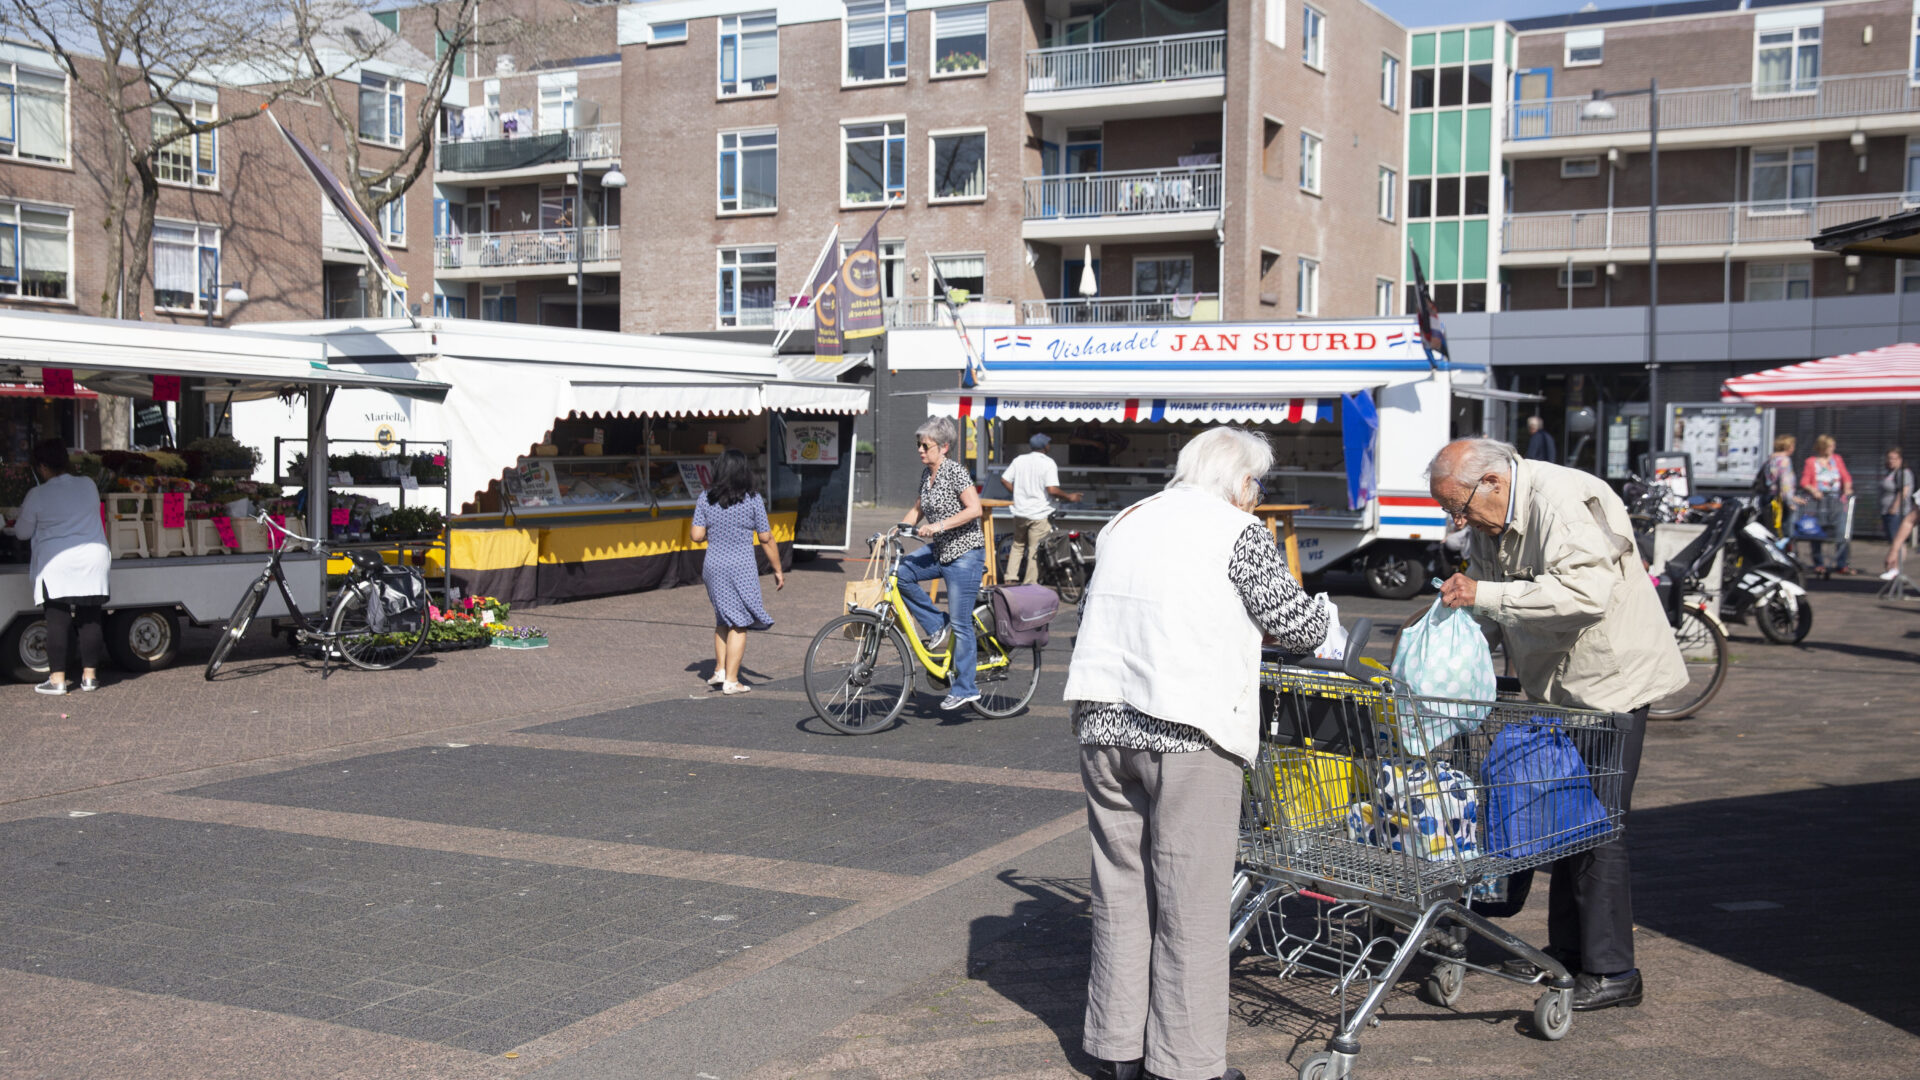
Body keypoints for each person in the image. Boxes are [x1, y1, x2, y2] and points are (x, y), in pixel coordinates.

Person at [1066, 427, 1331, 1080]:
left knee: (1122, 893)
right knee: (1192, 905)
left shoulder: (1126, 521)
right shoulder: (1236, 532)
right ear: (1241, 482)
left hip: (1102, 721)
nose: (1257, 497)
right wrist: (1328, 616)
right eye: (1257, 485)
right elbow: (1296, 625)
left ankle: (1120, 1050)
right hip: (1187, 730)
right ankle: (1184, 1068)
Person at [1430, 437, 1686, 1013]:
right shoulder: (1490, 516)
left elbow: (1584, 594)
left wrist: (1484, 595)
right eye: (1451, 510)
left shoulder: (1560, 500)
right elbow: (1489, 605)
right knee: (1566, 821)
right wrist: (1449, 650)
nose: (1458, 519)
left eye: (1460, 506)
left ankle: (1614, 969)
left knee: (1599, 828)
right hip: (1557, 686)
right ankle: (1570, 953)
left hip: (1609, 682)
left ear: (1492, 481)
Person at [899, 417, 987, 710]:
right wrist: (895, 530)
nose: (921, 450)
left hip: (965, 554)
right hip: (941, 551)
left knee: (962, 623)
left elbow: (975, 509)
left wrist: (939, 527)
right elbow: (917, 509)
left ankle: (966, 687)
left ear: (944, 447)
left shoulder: (956, 472)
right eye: (918, 445)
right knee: (901, 572)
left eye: (926, 445)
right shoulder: (928, 475)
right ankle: (937, 625)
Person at [13, 438, 111, 695]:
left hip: (57, 563)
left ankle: (57, 680)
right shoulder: (88, 485)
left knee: (58, 621)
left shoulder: (38, 494)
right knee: (91, 618)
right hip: (93, 558)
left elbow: (22, 533)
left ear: (42, 467)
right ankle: (90, 677)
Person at [690, 450, 783, 695]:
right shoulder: (753, 500)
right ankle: (732, 680)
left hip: (713, 565)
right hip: (741, 567)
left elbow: (696, 536)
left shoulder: (705, 499)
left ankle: (720, 670)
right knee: (739, 624)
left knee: (722, 618)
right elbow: (766, 537)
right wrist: (778, 569)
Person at [999, 433, 1082, 585]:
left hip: (1020, 512)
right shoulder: (1048, 463)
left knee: (1017, 545)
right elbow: (1052, 489)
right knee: (1034, 549)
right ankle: (1030, 583)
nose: (1050, 446)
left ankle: (1010, 578)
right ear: (1045, 447)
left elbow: (1004, 479)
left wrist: (1017, 493)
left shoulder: (1019, 460)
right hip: (1039, 513)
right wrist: (1069, 497)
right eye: (1049, 444)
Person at [1799, 434, 1854, 576]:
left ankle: (1842, 563)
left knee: (1842, 531)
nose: (1833, 449)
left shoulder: (1837, 460)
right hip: (1818, 502)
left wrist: (1847, 488)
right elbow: (1805, 481)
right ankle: (1819, 563)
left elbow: (1846, 477)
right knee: (1816, 532)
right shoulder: (1811, 462)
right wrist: (1813, 490)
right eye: (1830, 446)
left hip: (1836, 501)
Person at [1761, 434, 1800, 534]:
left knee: (1770, 529)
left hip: (1768, 497)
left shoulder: (1770, 460)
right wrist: (1790, 502)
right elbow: (1785, 483)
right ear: (1788, 447)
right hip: (1780, 500)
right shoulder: (1784, 461)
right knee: (1785, 531)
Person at [1879, 448, 1912, 545]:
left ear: (1900, 459)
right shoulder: (1890, 472)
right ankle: (1896, 559)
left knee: (1897, 542)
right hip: (1887, 512)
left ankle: (1897, 560)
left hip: (1896, 513)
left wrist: (1894, 507)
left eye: (1894, 458)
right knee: (1893, 542)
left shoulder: (1903, 472)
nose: (1891, 461)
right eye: (1889, 458)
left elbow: (1903, 491)